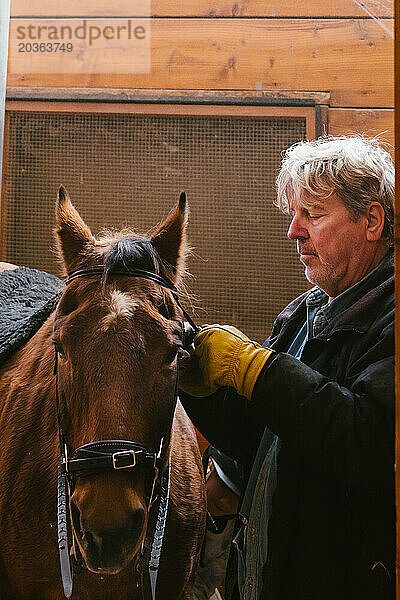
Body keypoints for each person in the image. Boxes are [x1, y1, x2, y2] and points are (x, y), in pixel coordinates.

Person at [179, 136, 395, 600]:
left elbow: (367, 439)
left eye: (313, 216)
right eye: (293, 215)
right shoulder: (305, 312)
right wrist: (201, 392)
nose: (293, 232)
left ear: (372, 220)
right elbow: (259, 440)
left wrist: (258, 370)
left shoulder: (393, 316)